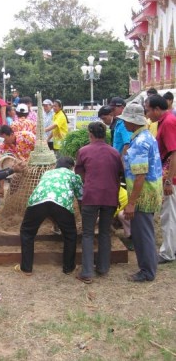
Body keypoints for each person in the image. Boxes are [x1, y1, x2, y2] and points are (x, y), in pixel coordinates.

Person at [118, 102, 163, 281]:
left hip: (143, 195)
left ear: (132, 122)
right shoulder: (147, 136)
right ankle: (149, 266)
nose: (124, 124)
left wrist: (131, 203)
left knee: (142, 234)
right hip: (150, 192)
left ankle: (146, 272)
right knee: (147, 232)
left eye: (126, 121)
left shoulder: (139, 143)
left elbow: (140, 176)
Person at [75, 122, 124, 284]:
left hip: (91, 196)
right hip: (110, 197)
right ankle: (103, 268)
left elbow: (80, 175)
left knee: (88, 233)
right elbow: (120, 173)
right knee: (104, 232)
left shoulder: (83, 151)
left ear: (90, 134)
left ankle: (87, 272)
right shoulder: (114, 153)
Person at [17, 157, 83, 275]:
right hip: (61, 202)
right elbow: (80, 197)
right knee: (70, 234)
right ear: (71, 167)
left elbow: (48, 204)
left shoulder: (47, 173)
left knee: (27, 232)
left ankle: (26, 268)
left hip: (38, 201)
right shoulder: (73, 175)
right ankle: (69, 268)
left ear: (56, 165)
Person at [144, 94, 176, 264]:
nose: (147, 114)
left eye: (148, 110)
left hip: (171, 178)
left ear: (157, 109)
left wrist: (170, 180)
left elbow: (174, 152)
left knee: (168, 216)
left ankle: (167, 253)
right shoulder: (165, 121)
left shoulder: (169, 122)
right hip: (168, 175)